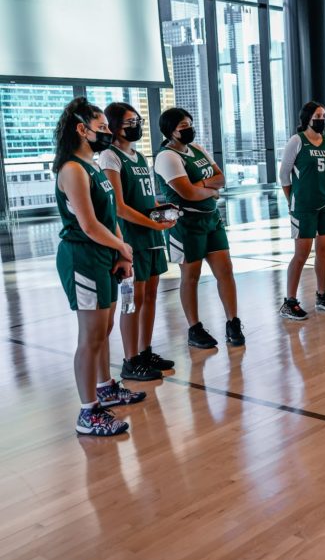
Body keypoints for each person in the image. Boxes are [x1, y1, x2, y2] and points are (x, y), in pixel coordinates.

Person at [55, 98, 143, 436]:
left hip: (105, 254)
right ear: (82, 129)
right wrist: (121, 245)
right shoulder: (72, 169)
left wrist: (121, 252)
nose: (107, 133)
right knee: (90, 335)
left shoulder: (91, 165)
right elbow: (89, 224)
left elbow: (110, 217)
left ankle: (106, 388)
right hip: (83, 256)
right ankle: (88, 412)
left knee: (102, 331)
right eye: (102, 128)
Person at [154, 108, 245, 348]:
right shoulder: (167, 157)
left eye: (189, 124)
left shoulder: (197, 149)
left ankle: (232, 322)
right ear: (170, 130)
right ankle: (194, 328)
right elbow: (187, 192)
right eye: (182, 125)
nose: (188, 129)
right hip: (186, 224)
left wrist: (204, 184)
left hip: (211, 220)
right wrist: (211, 190)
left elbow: (221, 177)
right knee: (191, 277)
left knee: (225, 270)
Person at [99, 102, 176, 382]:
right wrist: (152, 222)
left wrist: (162, 209)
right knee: (133, 300)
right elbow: (118, 206)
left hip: (151, 236)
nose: (135, 126)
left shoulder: (140, 156)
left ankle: (144, 351)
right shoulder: (110, 156)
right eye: (129, 122)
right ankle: (130, 360)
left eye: (138, 121)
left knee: (151, 296)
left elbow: (145, 197)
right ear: (114, 126)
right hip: (131, 239)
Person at [277, 101, 325, 320]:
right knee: (301, 254)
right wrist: (291, 200)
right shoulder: (297, 141)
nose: (321, 119)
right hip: (303, 206)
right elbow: (284, 175)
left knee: (323, 252)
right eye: (317, 115)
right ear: (307, 118)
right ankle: (290, 302)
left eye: (324, 115)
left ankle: (322, 295)